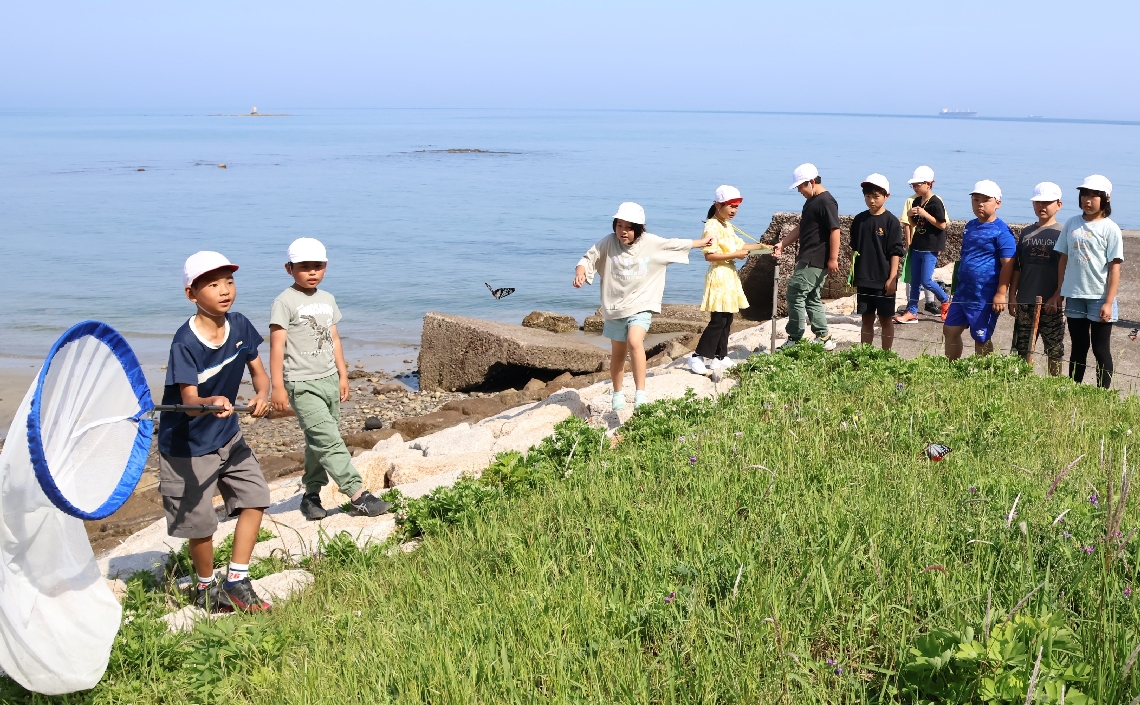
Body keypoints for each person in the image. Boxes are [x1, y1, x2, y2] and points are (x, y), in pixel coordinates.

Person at [158, 251, 272, 613]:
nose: (224, 290)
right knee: (201, 525)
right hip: (187, 448)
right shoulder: (185, 342)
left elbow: (259, 372)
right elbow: (190, 401)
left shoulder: (239, 325)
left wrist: (263, 395)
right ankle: (206, 588)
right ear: (191, 294)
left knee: (256, 496)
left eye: (229, 281)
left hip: (228, 437)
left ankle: (237, 580)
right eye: (212, 284)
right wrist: (212, 401)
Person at [270, 237, 392, 520]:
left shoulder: (327, 299)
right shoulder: (284, 302)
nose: (312, 272)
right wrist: (277, 387)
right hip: (301, 383)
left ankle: (311, 495)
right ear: (289, 268)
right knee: (329, 440)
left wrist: (343, 374)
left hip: (328, 379)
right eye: (304, 267)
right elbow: (276, 345)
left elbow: (334, 339)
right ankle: (358, 495)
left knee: (318, 440)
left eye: (318, 266)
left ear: (325, 266)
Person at [574, 203, 712, 407]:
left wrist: (701, 242)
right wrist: (580, 273)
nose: (623, 231)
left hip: (642, 304)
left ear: (639, 228)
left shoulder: (650, 243)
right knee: (618, 355)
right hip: (615, 307)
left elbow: (672, 244)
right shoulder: (609, 242)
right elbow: (588, 258)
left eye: (629, 228)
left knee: (635, 341)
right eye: (619, 225)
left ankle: (640, 394)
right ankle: (618, 394)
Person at [1052, 175, 1123, 388]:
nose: (1087, 200)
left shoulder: (1110, 228)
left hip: (1099, 296)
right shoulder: (1072, 223)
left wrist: (1108, 302)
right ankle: (1074, 388)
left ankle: (1102, 394)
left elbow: (1115, 267)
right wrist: (1059, 291)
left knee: (1100, 349)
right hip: (1074, 295)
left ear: (1106, 198)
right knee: (1078, 347)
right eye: (1084, 195)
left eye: (1093, 196)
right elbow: (1063, 258)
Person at [690, 185, 768, 373]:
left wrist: (764, 247)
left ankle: (720, 356)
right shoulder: (712, 226)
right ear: (718, 205)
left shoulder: (726, 224)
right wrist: (735, 255)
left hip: (729, 276)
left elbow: (740, 245)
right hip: (719, 275)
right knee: (718, 319)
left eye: (736, 207)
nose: (734, 210)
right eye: (731, 206)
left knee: (727, 318)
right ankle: (697, 356)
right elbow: (709, 255)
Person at [942, 181, 1016, 360]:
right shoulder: (970, 226)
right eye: (975, 200)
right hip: (963, 293)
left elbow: (1008, 264)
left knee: (981, 338)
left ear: (998, 203)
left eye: (986, 200)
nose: (979, 204)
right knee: (950, 330)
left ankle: (983, 372)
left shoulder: (1002, 231)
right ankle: (951, 368)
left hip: (984, 295)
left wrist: (1001, 293)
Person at [773, 163, 840, 350]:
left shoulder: (826, 201)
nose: (799, 191)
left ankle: (794, 338)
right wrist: (783, 243)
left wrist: (833, 258)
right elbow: (802, 227)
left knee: (795, 293)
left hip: (815, 258)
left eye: (801, 186)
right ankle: (824, 337)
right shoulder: (812, 201)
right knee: (811, 296)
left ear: (811, 182)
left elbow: (835, 230)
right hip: (809, 256)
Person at [1007, 182, 1065, 376]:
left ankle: (1054, 384)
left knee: (1054, 350)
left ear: (1059, 205)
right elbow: (1017, 267)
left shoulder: (1063, 233)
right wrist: (1012, 296)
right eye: (1038, 202)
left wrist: (1058, 296)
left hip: (1051, 303)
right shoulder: (1026, 232)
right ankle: (1022, 381)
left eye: (1047, 202)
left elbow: (1066, 269)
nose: (1042, 206)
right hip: (1025, 300)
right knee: (1021, 349)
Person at [848, 174, 905, 350]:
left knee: (886, 319)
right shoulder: (859, 220)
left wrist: (892, 278)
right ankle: (866, 354)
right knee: (866, 319)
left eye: (876, 196)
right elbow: (855, 248)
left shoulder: (891, 221)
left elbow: (895, 252)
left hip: (883, 279)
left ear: (886, 196)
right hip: (864, 278)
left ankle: (886, 355)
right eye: (867, 196)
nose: (871, 200)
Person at [896, 166, 950, 323]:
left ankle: (945, 299)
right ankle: (912, 311)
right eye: (913, 185)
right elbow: (914, 224)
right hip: (917, 245)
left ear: (929, 183)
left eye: (918, 184)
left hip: (930, 247)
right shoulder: (916, 201)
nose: (915, 188)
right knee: (914, 281)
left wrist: (924, 214)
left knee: (926, 280)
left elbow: (942, 225)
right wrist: (910, 215)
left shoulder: (935, 202)